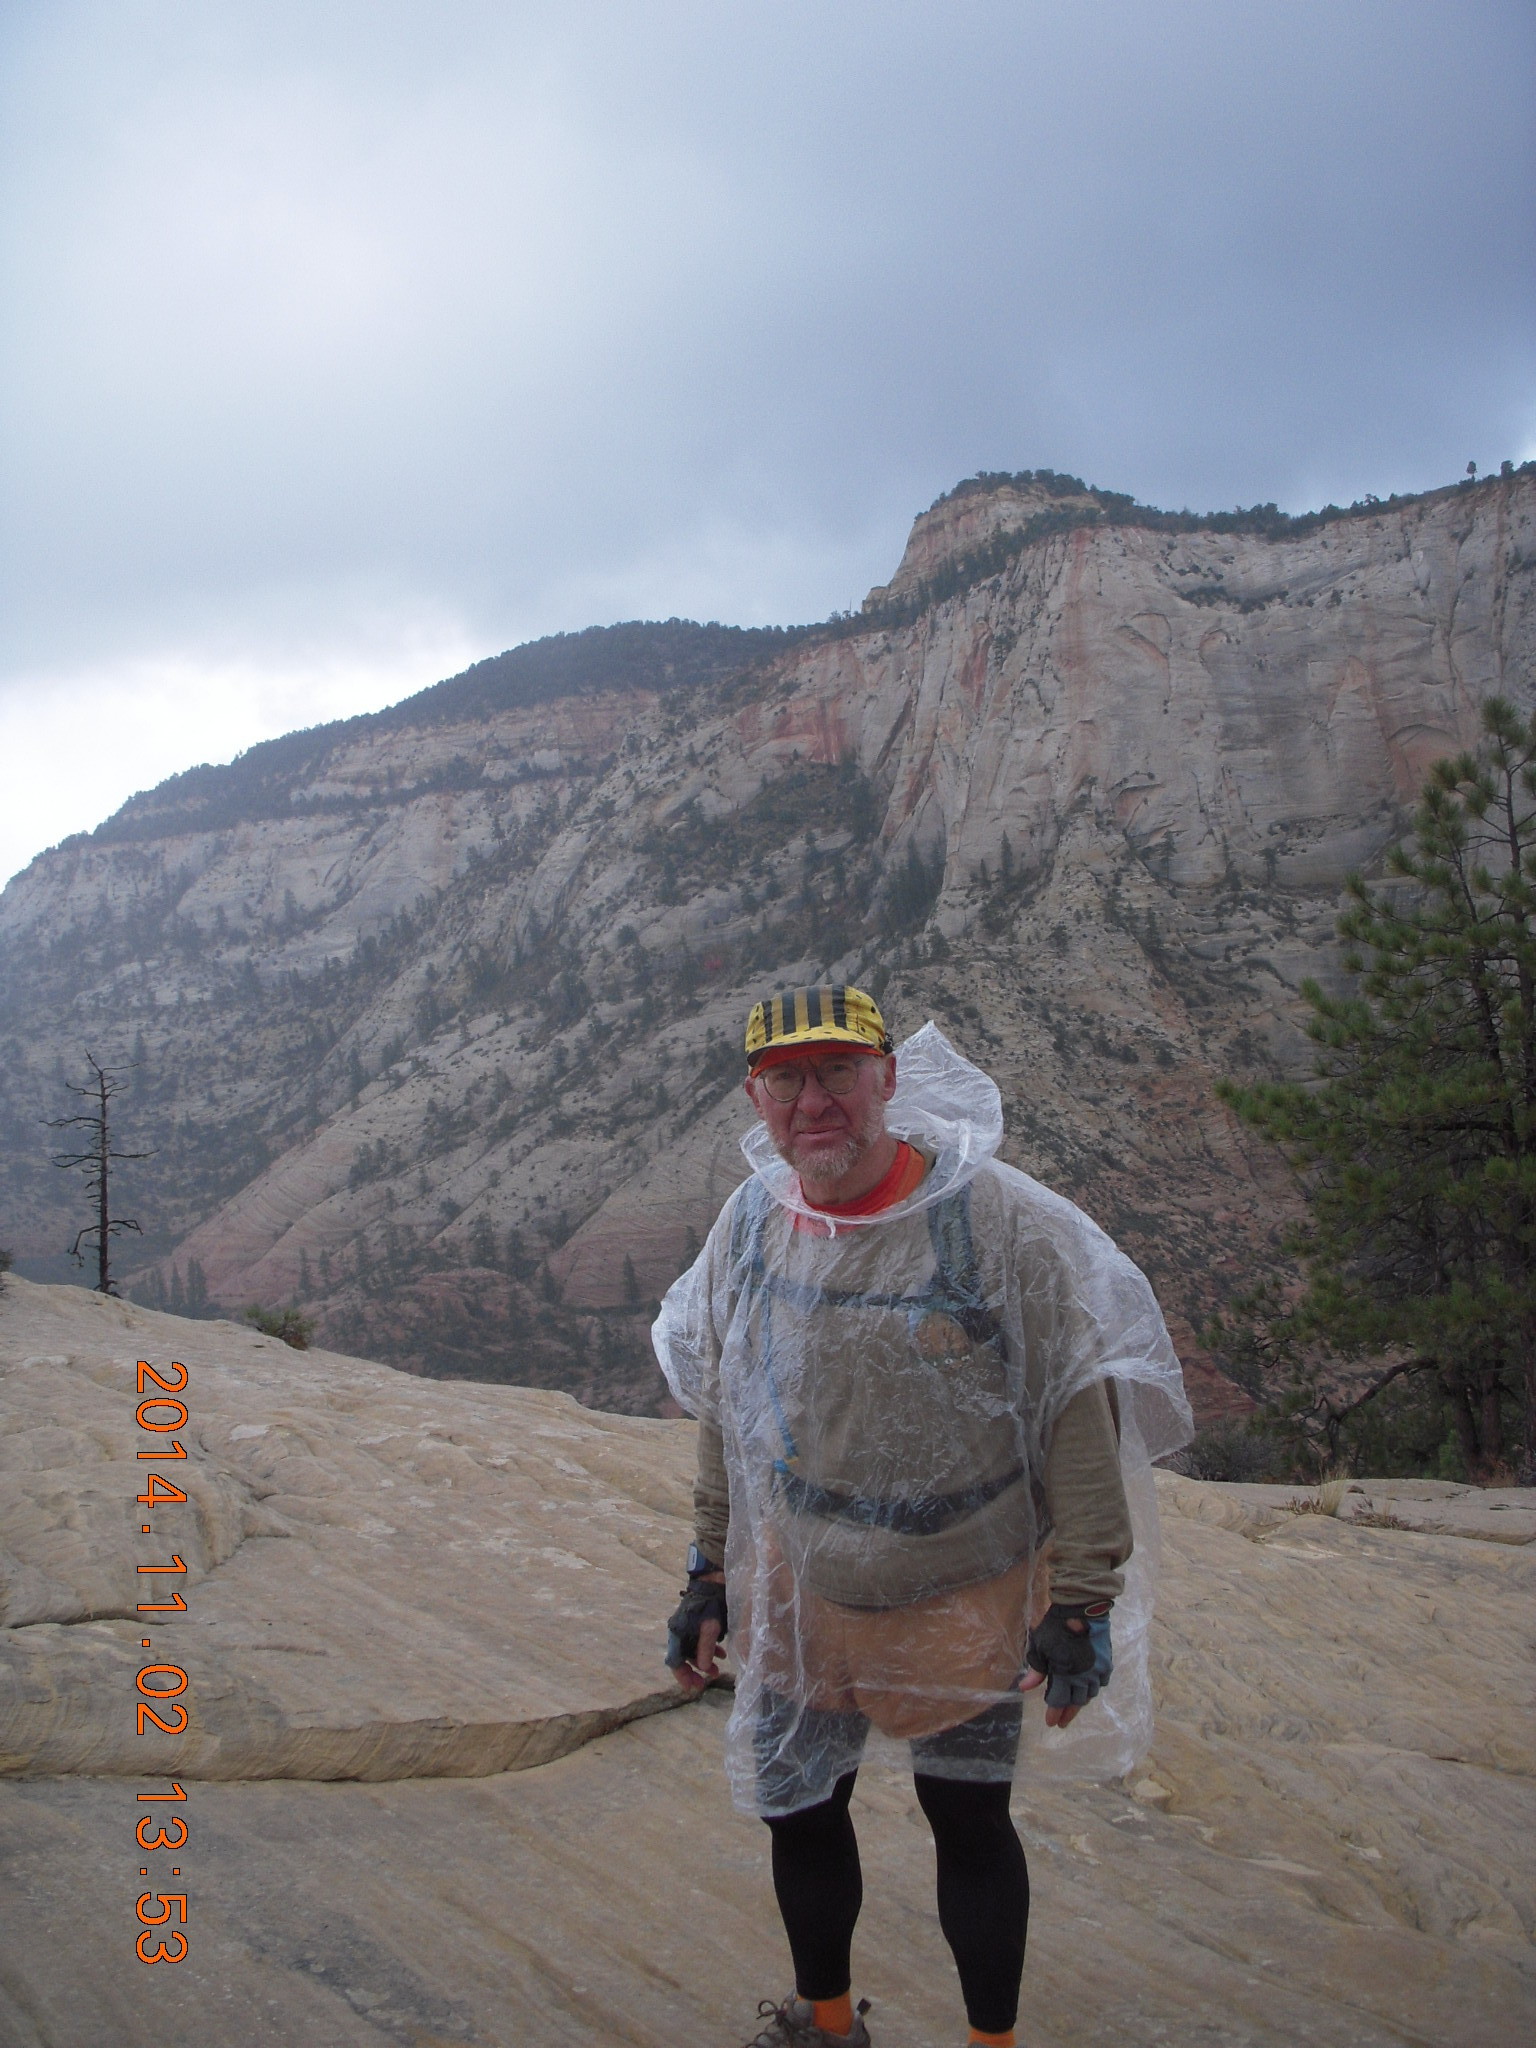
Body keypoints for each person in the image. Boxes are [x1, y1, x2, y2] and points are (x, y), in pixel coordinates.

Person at [653, 986, 1191, 2048]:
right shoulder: (751, 1222)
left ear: (888, 1079)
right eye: (786, 1079)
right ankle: (826, 2022)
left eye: (839, 1071)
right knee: (801, 1807)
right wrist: (709, 1570)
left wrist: (1081, 1598)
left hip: (963, 1581)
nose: (815, 1101)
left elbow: (1076, 1408)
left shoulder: (991, 1220)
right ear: (756, 1098)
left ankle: (991, 2041)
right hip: (804, 1581)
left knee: (968, 1818)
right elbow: (727, 1402)